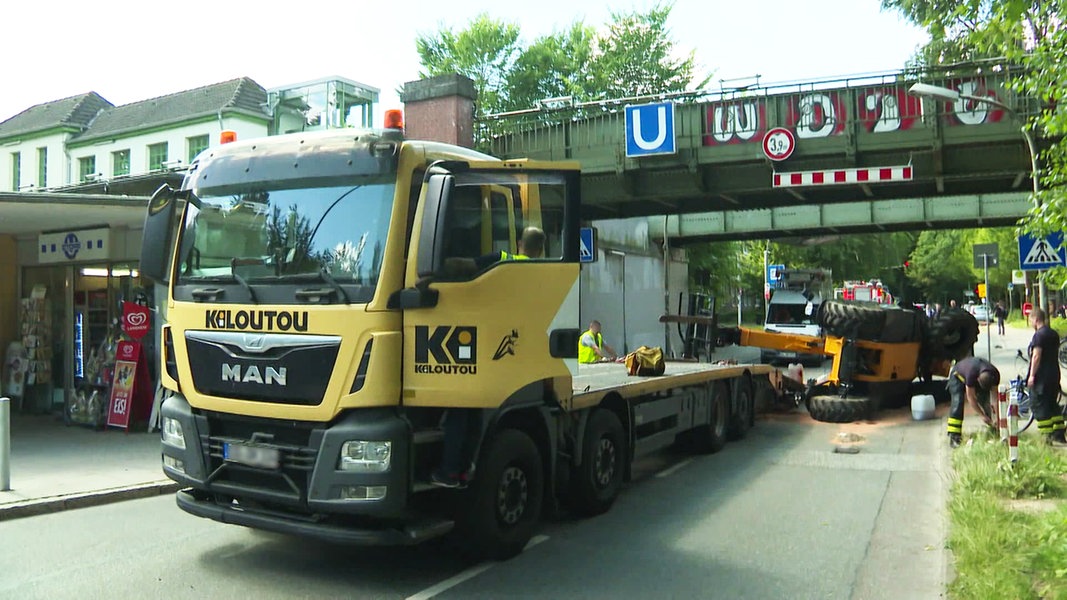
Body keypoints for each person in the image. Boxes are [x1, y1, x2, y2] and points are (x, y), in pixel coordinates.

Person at [1026, 308, 1066, 444]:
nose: (1030, 323)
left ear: (1036, 320)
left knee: (1039, 405)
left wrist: (1031, 375)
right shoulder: (1053, 334)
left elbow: (1037, 355)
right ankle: (1059, 434)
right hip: (1054, 374)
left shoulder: (1038, 336)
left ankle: (1046, 437)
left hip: (1041, 376)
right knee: (1052, 404)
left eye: (1031, 320)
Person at [444, 226, 546, 276]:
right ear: (540, 251)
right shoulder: (543, 272)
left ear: (519, 243)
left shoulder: (500, 259)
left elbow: (461, 265)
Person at [945, 356, 1000, 448]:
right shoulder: (971, 375)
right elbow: (971, 398)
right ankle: (954, 436)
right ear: (978, 380)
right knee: (957, 402)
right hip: (957, 376)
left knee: (985, 400)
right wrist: (982, 415)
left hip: (977, 375)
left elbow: (994, 399)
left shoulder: (995, 374)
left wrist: (998, 417)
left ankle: (993, 428)